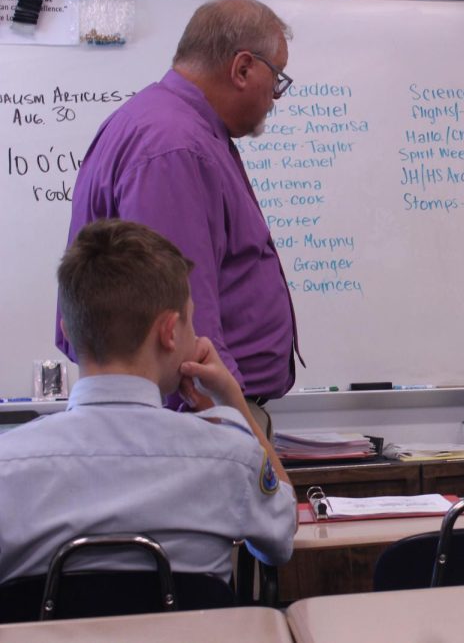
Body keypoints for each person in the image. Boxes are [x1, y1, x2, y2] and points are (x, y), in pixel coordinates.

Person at [0, 219, 295, 585]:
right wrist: (232, 400)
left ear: (68, 332)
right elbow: (280, 540)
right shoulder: (230, 457)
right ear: (170, 332)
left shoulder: (7, 467)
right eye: (191, 320)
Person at [58, 0, 300, 433]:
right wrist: (223, 425)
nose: (275, 98)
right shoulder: (175, 147)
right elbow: (180, 317)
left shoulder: (171, 128)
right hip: (197, 426)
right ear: (242, 68)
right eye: (276, 78)